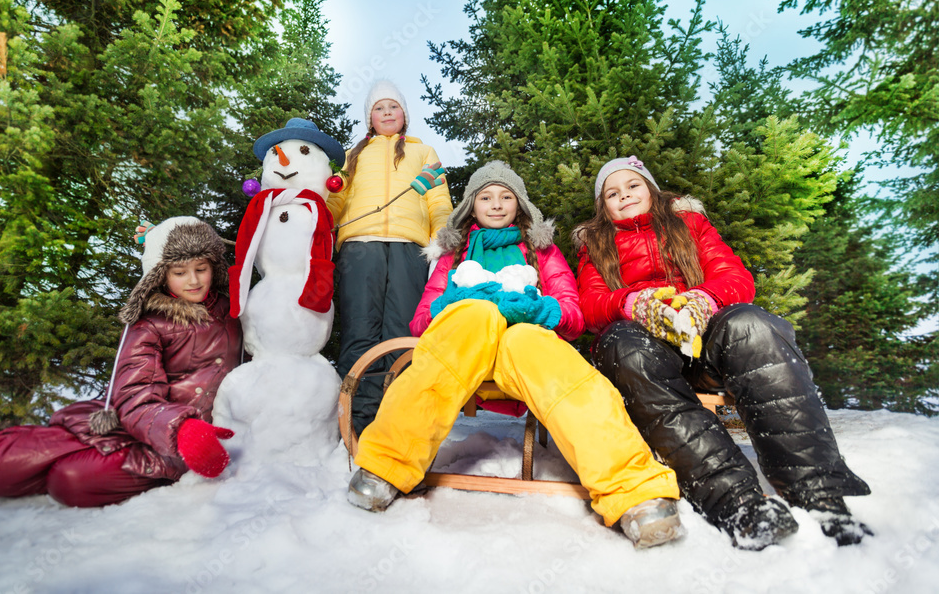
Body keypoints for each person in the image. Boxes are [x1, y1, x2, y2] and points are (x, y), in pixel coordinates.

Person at [347, 161, 685, 549]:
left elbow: (573, 315)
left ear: (519, 204)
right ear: (471, 206)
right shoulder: (452, 254)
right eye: (485, 197)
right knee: (473, 316)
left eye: (506, 196)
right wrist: (458, 300)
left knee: (556, 368)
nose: (495, 204)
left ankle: (634, 489)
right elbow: (422, 320)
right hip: (460, 348)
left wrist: (541, 311)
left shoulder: (542, 252)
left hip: (521, 352)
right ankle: (385, 465)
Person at [573, 155, 872, 550]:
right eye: (612, 193)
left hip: (705, 342)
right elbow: (590, 305)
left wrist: (703, 298)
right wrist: (632, 303)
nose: (624, 195)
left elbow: (733, 275)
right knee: (622, 347)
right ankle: (737, 503)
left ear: (651, 189)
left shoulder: (690, 224)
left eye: (633, 186)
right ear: (603, 206)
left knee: (752, 325)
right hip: (645, 350)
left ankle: (820, 494)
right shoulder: (596, 244)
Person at [0, 217, 243, 507]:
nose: (194, 280)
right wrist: (181, 430)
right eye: (180, 272)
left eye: (201, 269)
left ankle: (62, 468)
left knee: (71, 480)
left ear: (213, 267)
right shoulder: (149, 324)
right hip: (146, 422)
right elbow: (135, 393)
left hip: (172, 440)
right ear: (160, 275)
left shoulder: (235, 311)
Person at [327, 80, 452, 434]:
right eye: (379, 108)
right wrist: (320, 214)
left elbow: (438, 197)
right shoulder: (355, 155)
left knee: (400, 329)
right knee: (360, 329)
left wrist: (442, 232)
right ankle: (354, 420)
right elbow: (336, 198)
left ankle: (395, 421)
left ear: (404, 115)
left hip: (408, 246)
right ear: (370, 117)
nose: (386, 113)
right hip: (359, 245)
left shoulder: (423, 152)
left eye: (393, 107)